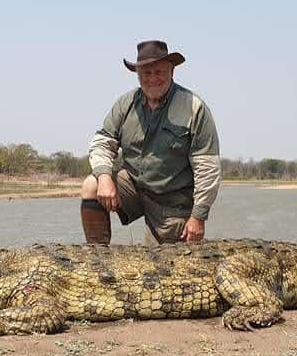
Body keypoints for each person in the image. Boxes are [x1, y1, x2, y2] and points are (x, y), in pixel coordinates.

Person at [81, 40, 221, 245]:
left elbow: (207, 168)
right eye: (146, 73)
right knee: (91, 185)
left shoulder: (194, 107)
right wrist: (103, 176)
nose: (153, 79)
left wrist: (198, 217)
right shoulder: (125, 104)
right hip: (135, 187)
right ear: (138, 75)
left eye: (159, 72)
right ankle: (97, 258)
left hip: (173, 203)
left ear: (171, 71)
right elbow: (102, 142)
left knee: (156, 267)